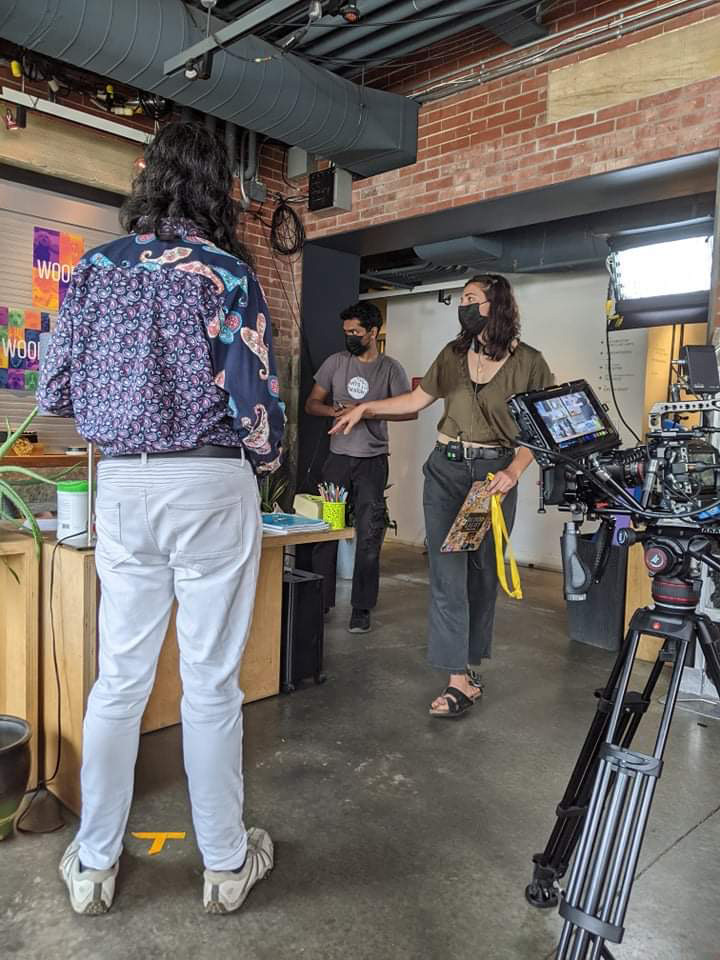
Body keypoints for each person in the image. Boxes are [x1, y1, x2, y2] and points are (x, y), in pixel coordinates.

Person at [37, 121, 284, 915]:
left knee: (119, 680)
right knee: (210, 684)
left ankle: (95, 864)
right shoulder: (225, 274)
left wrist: (124, 409)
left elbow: (55, 393)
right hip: (210, 483)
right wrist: (270, 457)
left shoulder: (93, 270)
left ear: (147, 175)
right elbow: (257, 414)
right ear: (220, 187)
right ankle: (223, 864)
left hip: (124, 485)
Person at [332, 275, 554, 716]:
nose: (464, 306)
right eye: (462, 300)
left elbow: (542, 427)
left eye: (471, 299)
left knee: (482, 573)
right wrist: (366, 407)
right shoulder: (453, 355)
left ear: (496, 305)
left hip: (492, 477)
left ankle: (469, 667)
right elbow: (416, 400)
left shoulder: (530, 362)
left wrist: (513, 470)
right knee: (447, 572)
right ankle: (456, 678)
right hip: (446, 470)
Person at [305, 302, 413, 633]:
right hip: (338, 460)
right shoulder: (335, 363)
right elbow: (312, 403)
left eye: (355, 332)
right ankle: (319, 601)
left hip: (373, 463)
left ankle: (361, 608)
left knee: (369, 534)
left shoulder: (391, 369)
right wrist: (336, 411)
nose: (350, 337)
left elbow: (408, 411)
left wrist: (366, 411)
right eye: (346, 332)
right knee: (327, 531)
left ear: (373, 332)